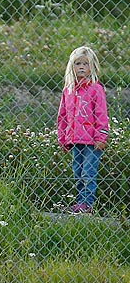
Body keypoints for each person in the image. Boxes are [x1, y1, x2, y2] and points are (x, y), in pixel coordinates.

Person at [57, 44, 108, 215]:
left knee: (88, 172)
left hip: (92, 141)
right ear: (72, 66)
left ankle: (87, 204)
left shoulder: (96, 89)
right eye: (77, 64)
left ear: (92, 66)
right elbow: (62, 115)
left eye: (85, 64)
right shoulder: (68, 90)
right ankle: (80, 202)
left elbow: (101, 114)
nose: (81, 67)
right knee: (77, 172)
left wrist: (101, 136)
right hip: (74, 140)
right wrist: (62, 138)